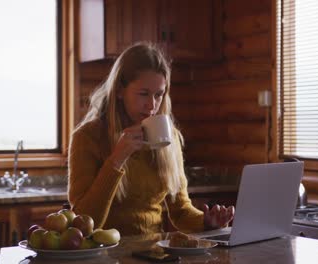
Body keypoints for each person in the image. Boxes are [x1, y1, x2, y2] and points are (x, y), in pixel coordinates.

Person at [68, 42, 234, 236]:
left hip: (153, 254)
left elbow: (181, 212)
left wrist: (206, 222)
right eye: (144, 94)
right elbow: (83, 221)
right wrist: (117, 158)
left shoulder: (168, 137)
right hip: (104, 253)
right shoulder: (87, 137)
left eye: (159, 95)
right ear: (120, 90)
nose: (152, 105)